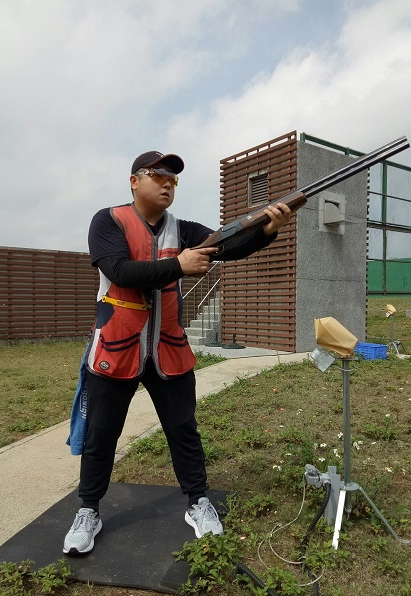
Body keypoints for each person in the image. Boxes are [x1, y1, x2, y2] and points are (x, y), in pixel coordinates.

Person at [63, 150, 291, 555]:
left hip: (168, 349)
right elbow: (120, 272)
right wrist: (178, 266)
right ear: (135, 181)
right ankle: (89, 510)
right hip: (116, 348)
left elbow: (228, 247)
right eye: (158, 175)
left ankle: (198, 502)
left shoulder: (183, 229)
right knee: (101, 436)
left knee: (184, 431)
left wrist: (267, 230)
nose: (167, 184)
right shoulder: (108, 221)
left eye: (174, 179)